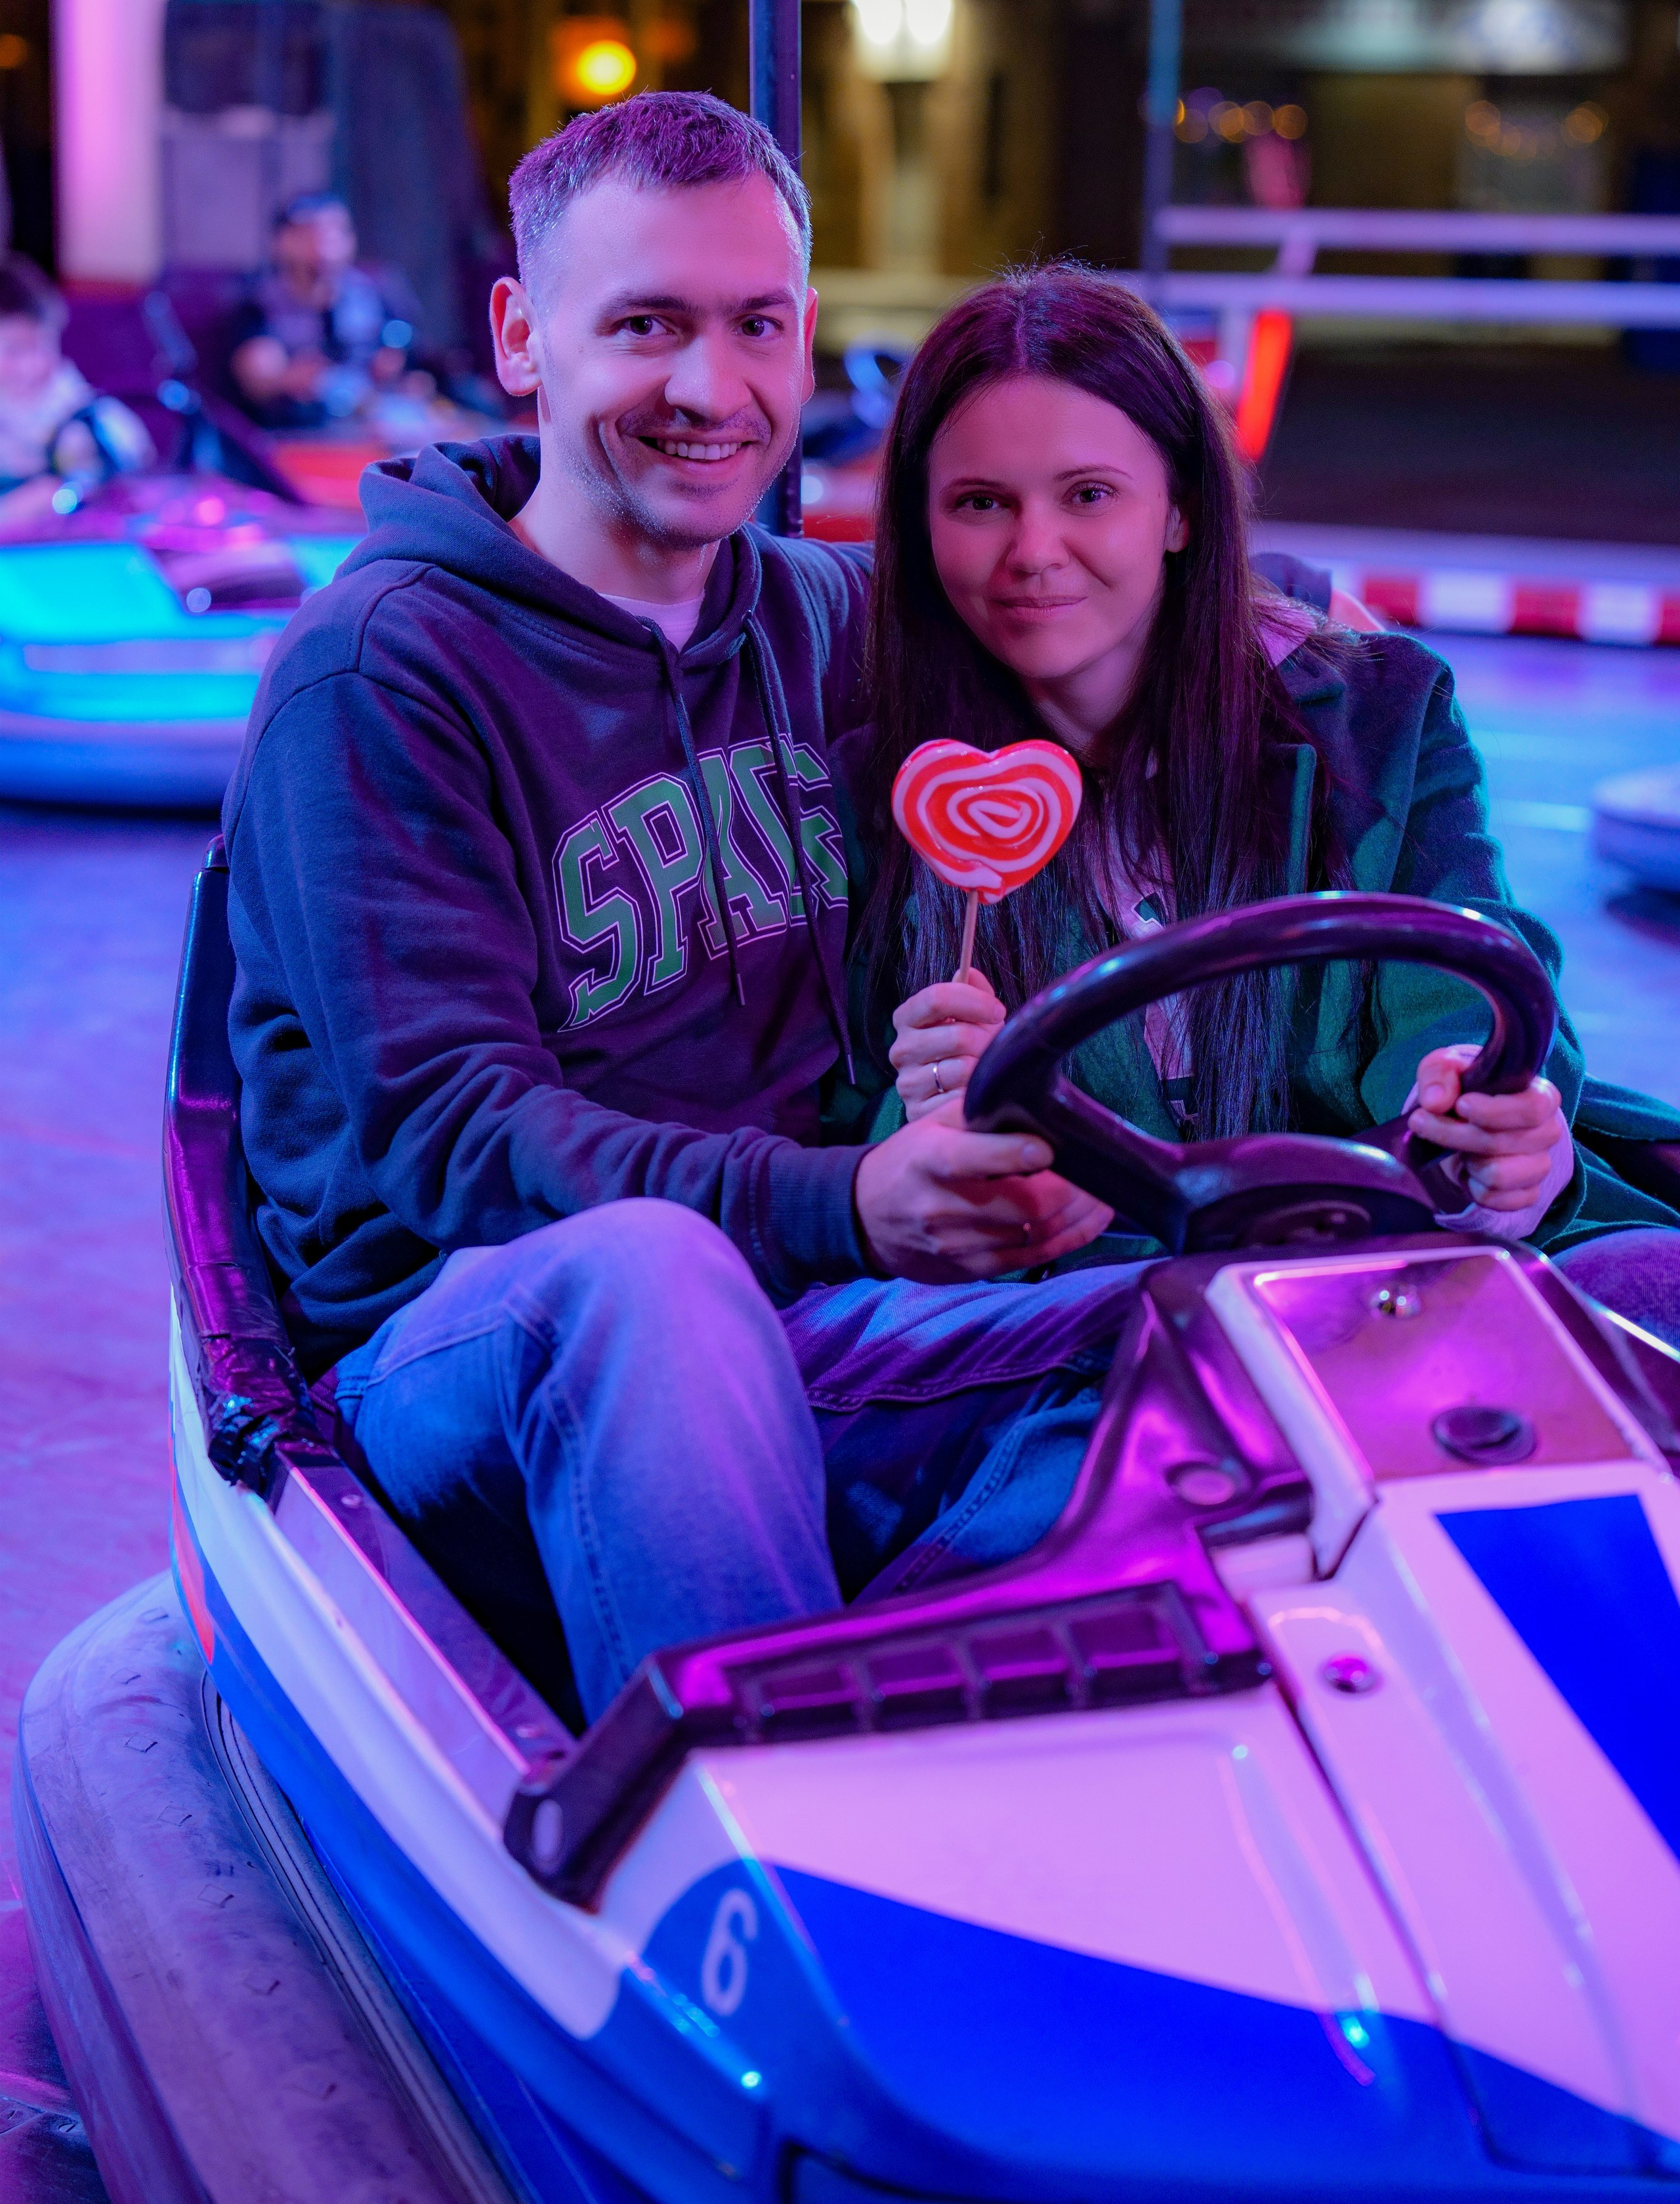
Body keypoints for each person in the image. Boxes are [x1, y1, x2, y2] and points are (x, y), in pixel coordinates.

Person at [224, 93, 1127, 1726]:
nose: (712, 389)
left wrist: (967, 1094)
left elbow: (1080, 734)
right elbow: (451, 1139)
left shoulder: (831, 615)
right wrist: (846, 1200)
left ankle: (906, 1715)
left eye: (757, 325)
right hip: (469, 1340)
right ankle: (776, 1837)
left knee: (1215, 1344)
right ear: (520, 335)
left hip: (811, 1303)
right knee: (650, 1277)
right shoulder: (379, 675)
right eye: (645, 324)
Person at [845, 263, 1680, 1349]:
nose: (1033, 554)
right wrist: (936, 1121)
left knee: (1644, 1286)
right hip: (1101, 1331)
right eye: (980, 503)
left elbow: (1467, 986)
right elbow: (851, 1143)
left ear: (1181, 507)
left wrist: (1489, 1127)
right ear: (923, 525)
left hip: (1391, 1276)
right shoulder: (896, 788)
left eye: (1088, 494)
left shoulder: (1379, 717)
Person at [226, 192, 425, 429]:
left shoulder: (375, 291)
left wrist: (398, 368)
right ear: (282, 241)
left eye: (334, 232)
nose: (322, 244)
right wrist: (286, 379)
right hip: (301, 427)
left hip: (377, 417)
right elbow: (258, 375)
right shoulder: (260, 302)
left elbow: (407, 348)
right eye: (308, 234)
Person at [0, 253, 152, 531]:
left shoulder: (71, 398)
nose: (31, 366)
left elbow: (134, 454)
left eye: (42, 347)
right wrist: (12, 511)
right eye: (13, 350)